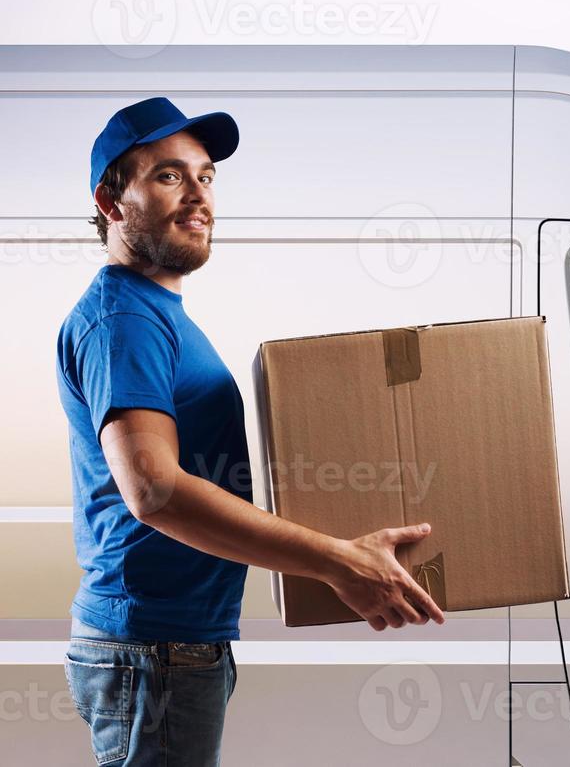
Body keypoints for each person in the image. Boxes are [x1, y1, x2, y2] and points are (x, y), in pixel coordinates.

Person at [56, 97, 446, 766]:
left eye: (206, 177)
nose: (199, 195)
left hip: (171, 647)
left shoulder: (155, 312)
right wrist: (339, 561)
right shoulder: (124, 319)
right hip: (154, 649)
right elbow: (153, 491)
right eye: (169, 176)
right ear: (111, 200)